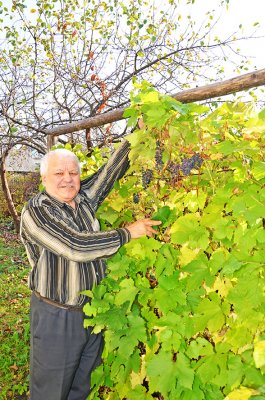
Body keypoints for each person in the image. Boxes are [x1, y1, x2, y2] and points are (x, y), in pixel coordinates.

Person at [20, 139, 161, 400]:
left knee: (81, 387)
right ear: (44, 178)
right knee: (50, 392)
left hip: (91, 313)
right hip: (56, 317)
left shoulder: (83, 199)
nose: (67, 179)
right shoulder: (36, 211)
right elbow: (75, 246)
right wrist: (127, 233)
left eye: (73, 173)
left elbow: (109, 173)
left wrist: (137, 136)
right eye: (59, 173)